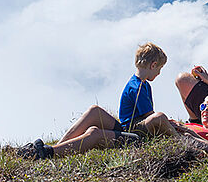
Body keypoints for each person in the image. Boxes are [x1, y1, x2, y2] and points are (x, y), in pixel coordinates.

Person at [17, 42, 177, 159]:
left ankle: (49, 152)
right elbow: (149, 117)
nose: (159, 73)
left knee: (94, 132)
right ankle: (53, 149)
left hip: (132, 133)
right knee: (95, 111)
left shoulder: (137, 83)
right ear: (153, 65)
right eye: (159, 69)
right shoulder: (140, 87)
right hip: (134, 136)